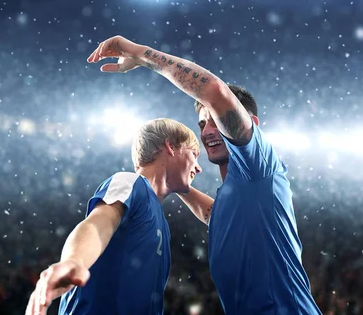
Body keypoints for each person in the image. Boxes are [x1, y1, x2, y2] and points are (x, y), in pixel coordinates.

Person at [88, 35, 322, 314]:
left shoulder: (259, 165)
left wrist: (141, 54)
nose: (207, 130)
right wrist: (178, 182)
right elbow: (214, 213)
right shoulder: (236, 193)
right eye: (202, 123)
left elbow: (213, 90)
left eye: (215, 119)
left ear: (252, 124)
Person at [24, 118, 202, 315]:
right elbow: (99, 223)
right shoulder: (131, 182)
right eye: (194, 154)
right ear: (171, 146)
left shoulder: (161, 222)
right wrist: (75, 261)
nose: (198, 167)